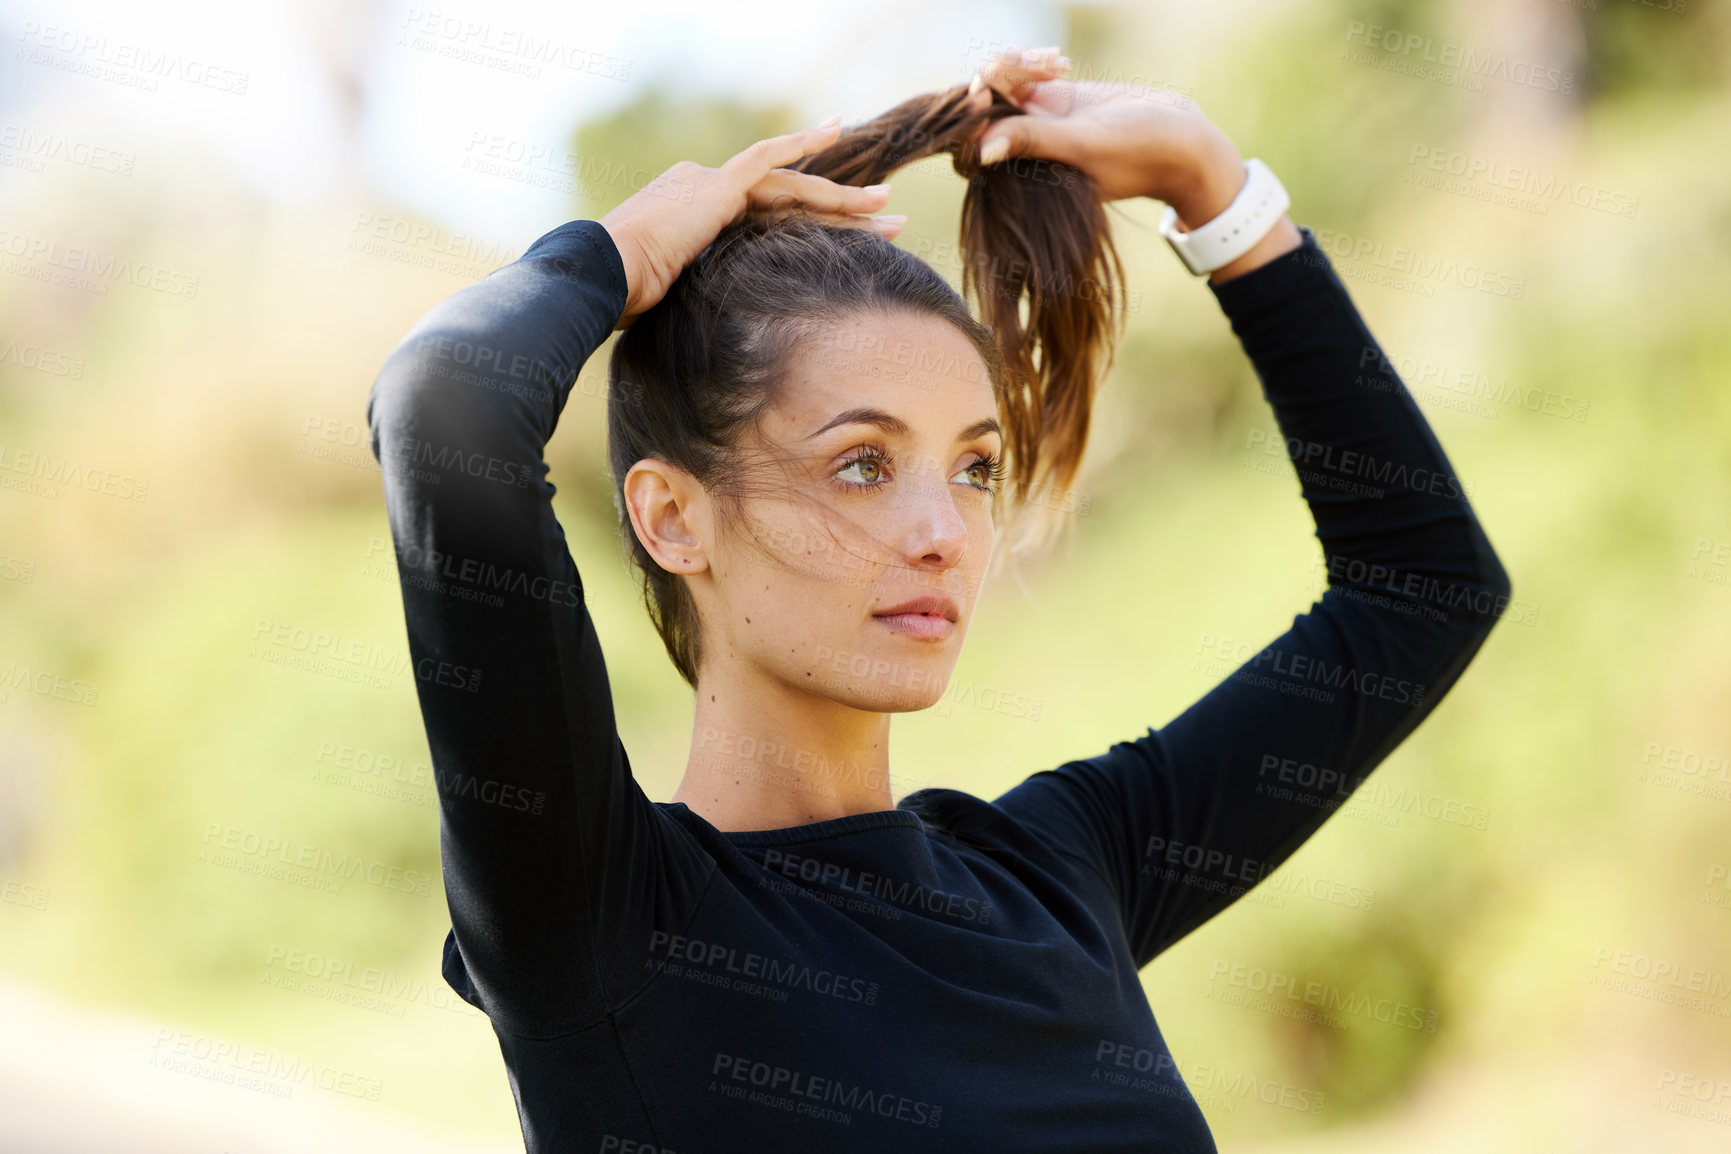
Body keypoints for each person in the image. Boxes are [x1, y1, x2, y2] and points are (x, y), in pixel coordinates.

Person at [366, 45, 1510, 1154]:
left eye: (974, 467)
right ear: (672, 517)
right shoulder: (600, 918)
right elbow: (446, 404)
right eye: (861, 463)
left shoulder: (1063, 873)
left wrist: (1214, 191)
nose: (942, 535)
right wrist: (621, 248)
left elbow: (1421, 590)